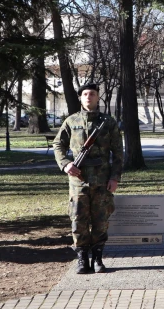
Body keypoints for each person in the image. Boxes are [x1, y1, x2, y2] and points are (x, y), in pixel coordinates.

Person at [53, 83, 123, 274]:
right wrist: (66, 164)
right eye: (85, 94)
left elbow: (118, 152)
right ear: (80, 97)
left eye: (92, 94)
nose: (89, 97)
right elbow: (58, 144)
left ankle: (98, 259)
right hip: (78, 180)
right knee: (78, 219)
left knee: (101, 220)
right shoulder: (71, 121)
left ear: (98, 97)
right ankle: (82, 259)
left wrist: (115, 178)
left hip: (102, 180)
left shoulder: (108, 122)